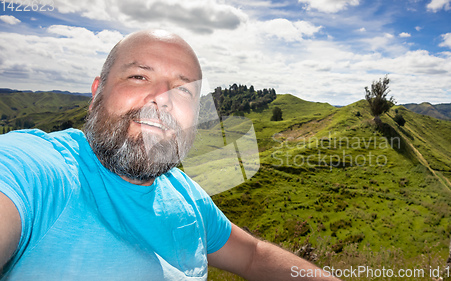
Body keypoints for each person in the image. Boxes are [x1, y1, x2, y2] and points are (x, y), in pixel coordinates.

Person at [0, 30, 341, 281]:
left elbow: (253, 255)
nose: (162, 98)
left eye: (183, 90)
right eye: (139, 76)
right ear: (96, 94)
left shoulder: (187, 195)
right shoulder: (34, 167)